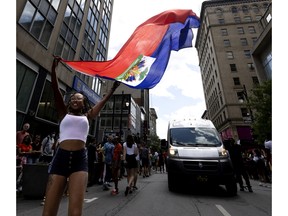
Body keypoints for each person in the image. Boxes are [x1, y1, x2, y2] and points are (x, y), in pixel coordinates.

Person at [42, 57, 120, 216]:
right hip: (60, 159)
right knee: (49, 211)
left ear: (84, 103)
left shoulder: (88, 115)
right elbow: (56, 90)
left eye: (79, 98)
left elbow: (102, 102)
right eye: (72, 98)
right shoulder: (63, 113)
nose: (75, 100)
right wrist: (53, 70)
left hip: (80, 160)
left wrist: (112, 90)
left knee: (76, 212)